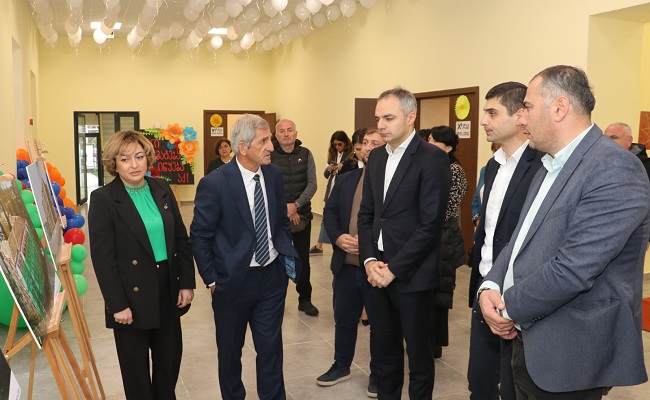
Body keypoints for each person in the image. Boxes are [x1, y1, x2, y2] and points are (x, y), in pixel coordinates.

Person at [479, 66, 650, 398]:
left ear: (559, 108)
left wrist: (505, 308)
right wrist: (491, 284)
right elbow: (520, 240)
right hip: (528, 337)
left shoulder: (613, 167)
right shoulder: (548, 163)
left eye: (527, 107)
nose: (521, 118)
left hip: (570, 352)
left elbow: (573, 268)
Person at [190, 114, 301, 400]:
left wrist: (282, 253)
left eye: (270, 140)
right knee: (230, 354)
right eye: (263, 141)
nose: (271, 147)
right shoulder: (215, 183)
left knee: (271, 349)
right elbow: (200, 236)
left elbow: (280, 219)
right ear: (242, 147)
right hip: (232, 282)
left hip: (272, 278)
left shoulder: (273, 175)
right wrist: (212, 280)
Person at [88, 130, 195, 400]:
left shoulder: (162, 188)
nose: (134, 165)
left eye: (139, 157)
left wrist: (186, 282)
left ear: (148, 158)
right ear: (114, 163)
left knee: (168, 367)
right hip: (130, 298)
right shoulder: (103, 199)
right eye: (125, 159)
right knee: (136, 377)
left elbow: (181, 239)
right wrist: (117, 305)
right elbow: (103, 259)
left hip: (167, 289)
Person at [358, 87, 451, 399]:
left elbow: (430, 225)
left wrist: (393, 269)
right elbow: (367, 214)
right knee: (384, 353)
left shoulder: (432, 158)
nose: (381, 125)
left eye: (388, 118)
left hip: (413, 274)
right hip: (377, 270)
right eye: (378, 119)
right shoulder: (376, 158)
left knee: (419, 357)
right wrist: (370, 261)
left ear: (411, 117)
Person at [467, 82, 544, 400]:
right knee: (480, 383)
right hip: (484, 288)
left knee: (514, 386)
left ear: (519, 116)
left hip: (516, 295)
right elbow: (488, 231)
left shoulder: (542, 166)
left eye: (492, 113)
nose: (483, 121)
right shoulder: (492, 166)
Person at [317, 128, 384, 397]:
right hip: (345, 265)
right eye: (365, 143)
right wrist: (338, 237)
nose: (368, 147)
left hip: (377, 269)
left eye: (375, 143)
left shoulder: (391, 183)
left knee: (380, 324)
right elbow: (330, 212)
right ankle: (341, 365)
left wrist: (367, 244)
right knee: (344, 320)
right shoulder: (346, 179)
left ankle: (378, 374)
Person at [426, 125, 468, 359]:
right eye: (429, 139)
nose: (429, 144)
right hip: (427, 234)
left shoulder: (454, 171)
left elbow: (446, 208)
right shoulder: (429, 165)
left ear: (449, 147)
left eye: (435, 141)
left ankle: (434, 344)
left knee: (439, 291)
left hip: (443, 236)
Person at [271, 119, 319, 316]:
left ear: (296, 133)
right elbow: (266, 184)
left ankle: (305, 299)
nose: (286, 134)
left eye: (289, 130)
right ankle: (275, 300)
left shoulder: (306, 154)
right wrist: (285, 208)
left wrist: (296, 205)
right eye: (282, 131)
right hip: (276, 217)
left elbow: (312, 184)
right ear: (276, 135)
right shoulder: (269, 154)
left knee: (302, 259)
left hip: (302, 216)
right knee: (275, 259)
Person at [310, 131, 352, 255]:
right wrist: (329, 168)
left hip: (344, 191)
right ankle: (319, 245)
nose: (337, 147)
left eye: (340, 144)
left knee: (341, 219)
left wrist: (342, 167)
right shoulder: (333, 154)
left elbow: (352, 172)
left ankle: (331, 245)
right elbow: (325, 175)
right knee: (327, 216)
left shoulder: (351, 155)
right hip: (331, 190)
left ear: (346, 143)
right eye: (335, 144)